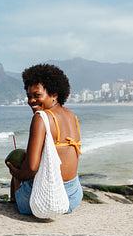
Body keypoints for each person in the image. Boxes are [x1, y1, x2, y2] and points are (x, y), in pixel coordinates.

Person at [6, 64, 83, 214]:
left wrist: (17, 175)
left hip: (50, 201)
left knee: (19, 164)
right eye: (29, 97)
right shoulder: (70, 115)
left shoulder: (41, 118)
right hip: (74, 197)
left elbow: (32, 167)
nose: (31, 101)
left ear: (54, 94)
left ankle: (15, 204)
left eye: (37, 95)